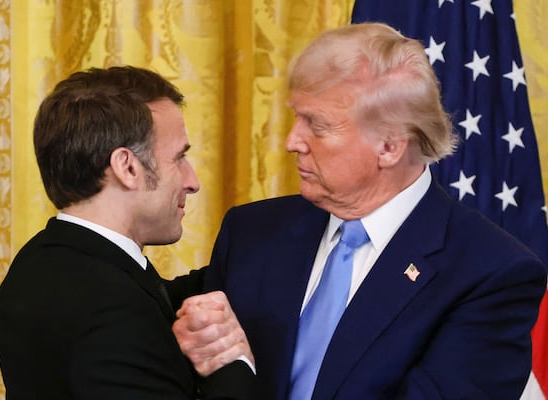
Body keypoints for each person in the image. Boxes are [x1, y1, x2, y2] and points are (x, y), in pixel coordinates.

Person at [202, 23, 548, 399]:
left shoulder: (491, 275)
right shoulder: (251, 231)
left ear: (389, 146)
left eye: (316, 125)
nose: (292, 141)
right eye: (296, 117)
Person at [0, 66, 256, 399]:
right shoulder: (111, 310)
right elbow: (130, 313)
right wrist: (233, 364)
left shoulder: (43, 260)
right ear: (127, 167)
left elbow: (151, 296)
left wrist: (253, 262)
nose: (193, 181)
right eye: (179, 158)